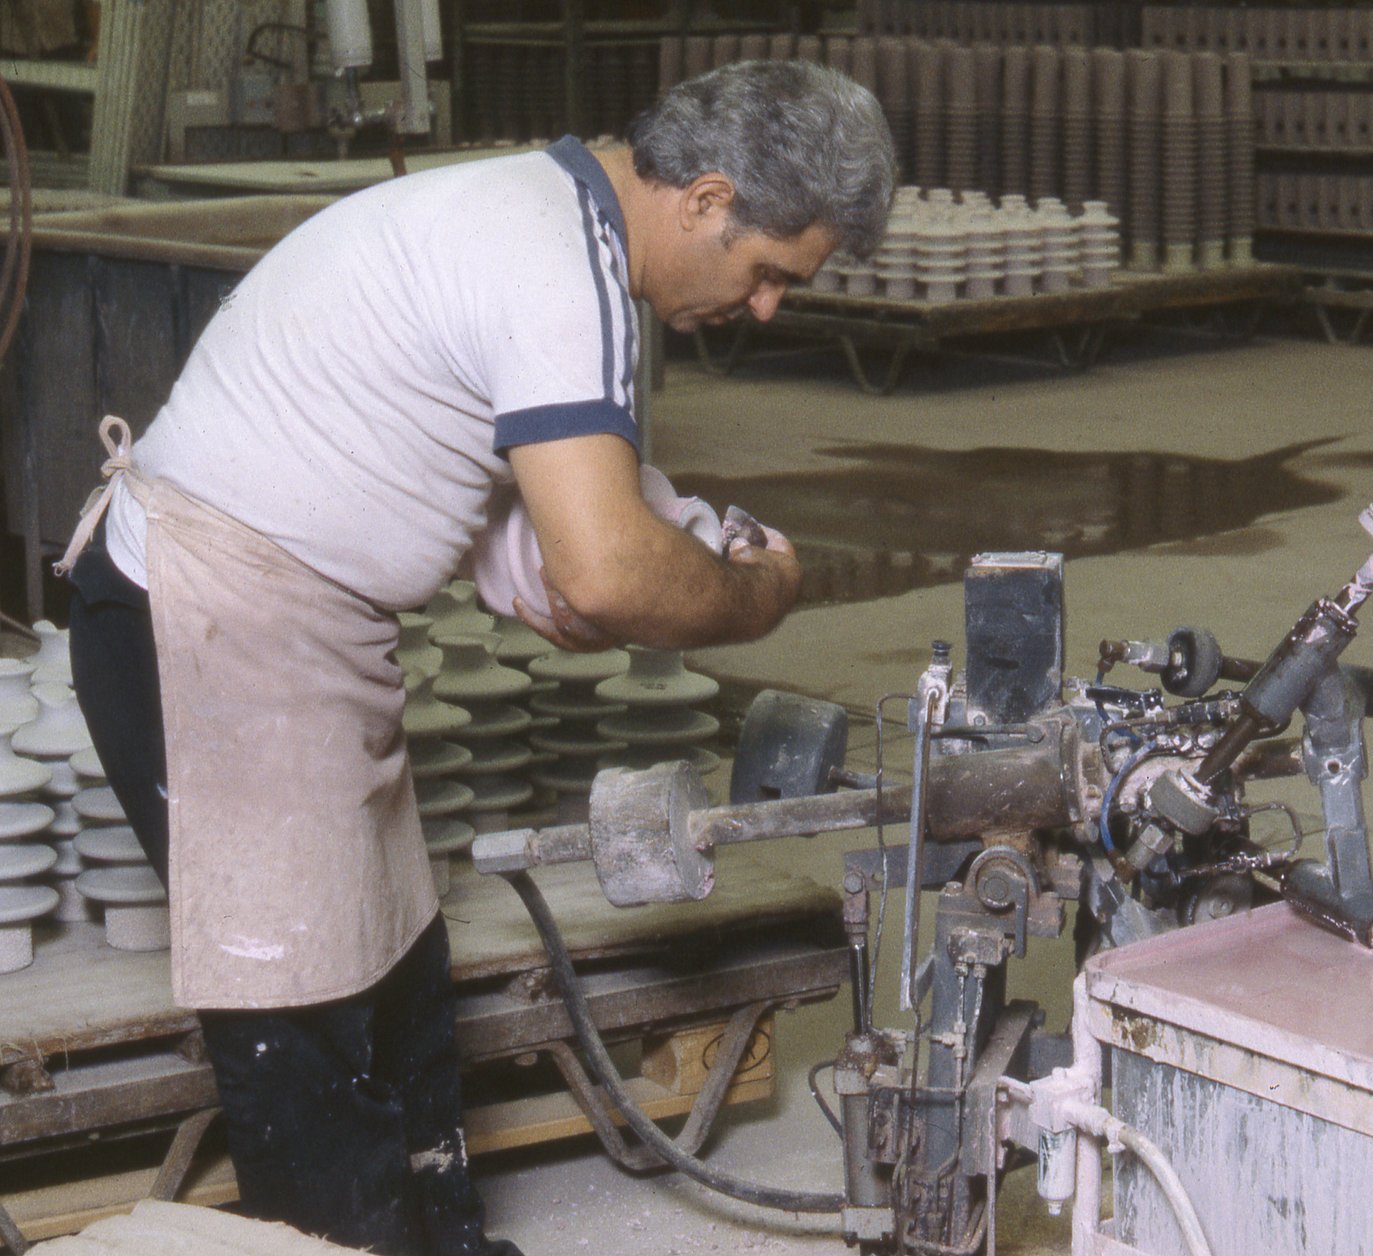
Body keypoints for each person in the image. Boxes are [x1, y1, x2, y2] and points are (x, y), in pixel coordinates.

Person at [57, 59, 894, 1255]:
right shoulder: (557, 266)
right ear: (706, 199)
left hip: (294, 626)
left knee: (398, 964)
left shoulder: (562, 228)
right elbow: (606, 573)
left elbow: (552, 543)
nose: (767, 308)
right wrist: (758, 592)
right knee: (305, 1033)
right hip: (200, 623)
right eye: (769, 273)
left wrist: (662, 546)